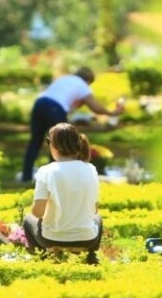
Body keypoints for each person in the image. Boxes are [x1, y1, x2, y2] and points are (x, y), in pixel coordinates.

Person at [20, 66, 123, 182]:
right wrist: (113, 112)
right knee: (59, 143)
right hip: (55, 108)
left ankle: (26, 176)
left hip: (39, 104)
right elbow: (95, 107)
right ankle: (53, 179)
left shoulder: (64, 79)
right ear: (88, 80)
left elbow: (70, 103)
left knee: (35, 142)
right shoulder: (83, 85)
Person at [22, 123, 103, 264]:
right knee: (99, 219)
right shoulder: (91, 169)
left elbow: (37, 213)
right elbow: (95, 209)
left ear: (54, 145)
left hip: (51, 238)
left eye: (48, 141)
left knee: (28, 220)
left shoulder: (46, 171)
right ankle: (90, 258)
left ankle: (42, 260)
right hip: (87, 238)